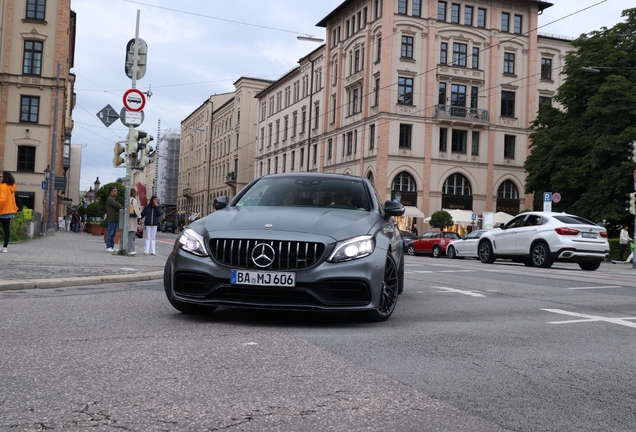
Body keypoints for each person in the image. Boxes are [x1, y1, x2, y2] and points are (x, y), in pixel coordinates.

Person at [0, 172, 19, 253]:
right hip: (9, 211)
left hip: (2, 211)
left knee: (5, 229)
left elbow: (2, 200)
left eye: (1, 176)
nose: (0, 177)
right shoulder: (11, 187)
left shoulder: (3, 186)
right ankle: (5, 247)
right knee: (6, 229)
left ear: (5, 177)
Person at [105, 186, 123, 252]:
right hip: (112, 218)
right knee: (110, 232)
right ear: (111, 192)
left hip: (115, 218)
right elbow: (118, 206)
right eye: (115, 191)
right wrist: (120, 206)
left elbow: (119, 205)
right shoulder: (110, 199)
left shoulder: (114, 198)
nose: (116, 192)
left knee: (113, 233)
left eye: (116, 191)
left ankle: (112, 246)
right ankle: (108, 246)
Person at [127, 189, 142, 255]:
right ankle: (131, 250)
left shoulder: (127, 200)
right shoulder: (133, 200)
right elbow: (137, 211)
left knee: (129, 235)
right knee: (132, 236)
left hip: (127, 219)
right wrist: (139, 217)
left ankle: (130, 249)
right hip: (132, 220)